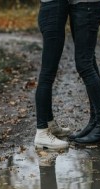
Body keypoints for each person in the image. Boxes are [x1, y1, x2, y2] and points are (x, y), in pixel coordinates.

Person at [68, 0, 100, 145]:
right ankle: (96, 121)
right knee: (88, 60)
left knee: (84, 64)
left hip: (88, 6)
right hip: (80, 6)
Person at [34, 0, 73, 150]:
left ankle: (49, 123)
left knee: (49, 74)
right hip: (53, 13)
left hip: (52, 11)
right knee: (47, 75)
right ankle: (42, 132)